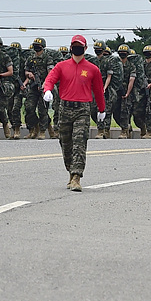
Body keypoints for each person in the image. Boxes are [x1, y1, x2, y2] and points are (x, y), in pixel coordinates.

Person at [42, 35, 106, 192]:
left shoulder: (92, 69)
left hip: (82, 110)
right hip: (64, 108)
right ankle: (70, 172)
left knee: (79, 142)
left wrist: (101, 109)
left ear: (85, 49)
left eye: (80, 46)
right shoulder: (61, 66)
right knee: (66, 143)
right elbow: (50, 79)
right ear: (70, 48)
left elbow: (98, 91)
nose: (77, 48)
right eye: (74, 45)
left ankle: (76, 177)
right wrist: (47, 90)